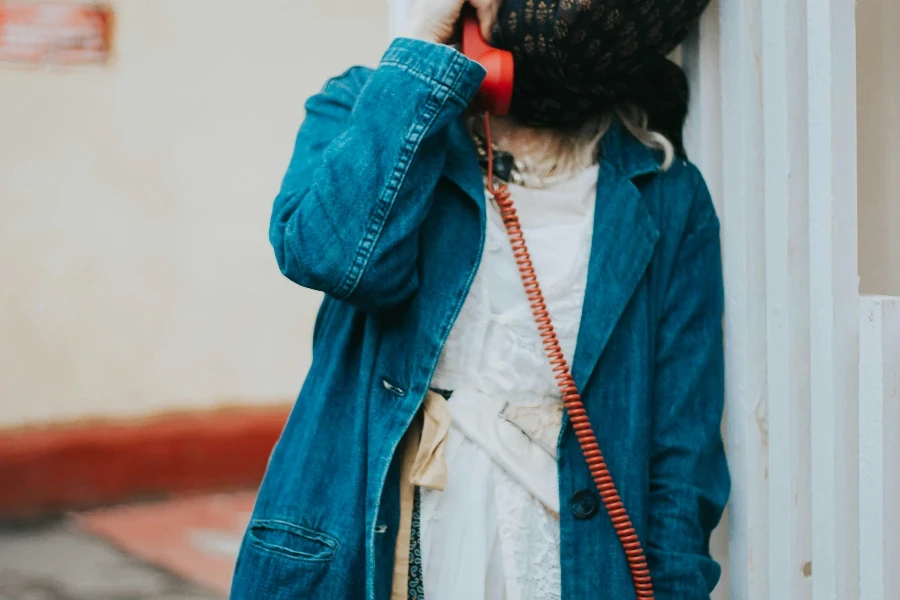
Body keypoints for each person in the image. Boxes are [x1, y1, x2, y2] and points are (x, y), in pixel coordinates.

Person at [230, 0, 729, 598]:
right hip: (392, 535)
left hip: (566, 552)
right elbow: (329, 256)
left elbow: (681, 453)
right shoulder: (369, 107)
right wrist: (425, 57)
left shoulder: (665, 193)